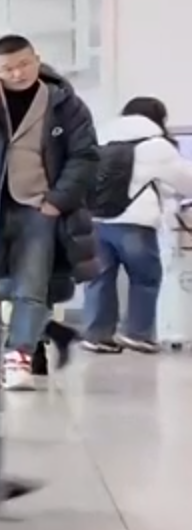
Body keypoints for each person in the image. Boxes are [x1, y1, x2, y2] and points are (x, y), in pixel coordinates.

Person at [0, 35, 101, 391]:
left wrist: (57, 201)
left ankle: (19, 356)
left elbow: (86, 156)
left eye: (24, 64)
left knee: (33, 288)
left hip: (40, 209)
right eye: (7, 68)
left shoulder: (65, 104)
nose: (18, 73)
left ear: (37, 59)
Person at [80, 96, 192, 352]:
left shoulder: (98, 138)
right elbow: (185, 180)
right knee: (145, 277)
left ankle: (97, 335)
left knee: (99, 278)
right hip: (134, 222)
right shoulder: (155, 146)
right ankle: (138, 334)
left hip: (94, 220)